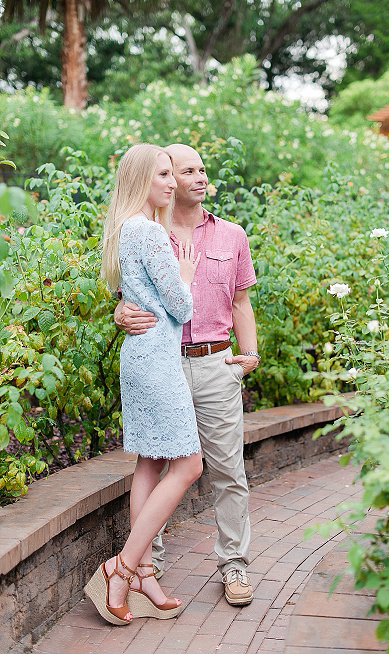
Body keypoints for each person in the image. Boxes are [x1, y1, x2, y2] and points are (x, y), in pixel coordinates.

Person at [113, 143, 260, 607]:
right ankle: (141, 565)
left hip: (216, 363)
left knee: (227, 470)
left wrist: (250, 354)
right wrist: (120, 312)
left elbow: (241, 302)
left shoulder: (231, 235)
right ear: (167, 177)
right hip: (165, 361)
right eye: (185, 170)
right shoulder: (151, 230)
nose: (197, 178)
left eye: (202, 170)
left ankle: (234, 566)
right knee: (156, 465)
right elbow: (130, 295)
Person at [86, 144, 203, 624]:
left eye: (172, 174)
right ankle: (123, 566)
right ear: (140, 180)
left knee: (150, 463)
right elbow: (181, 306)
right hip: (156, 361)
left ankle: (145, 574)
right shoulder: (150, 232)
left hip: (140, 356)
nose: (172, 183)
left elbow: (132, 296)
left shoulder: (123, 230)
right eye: (162, 175)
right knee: (189, 465)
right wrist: (187, 276)